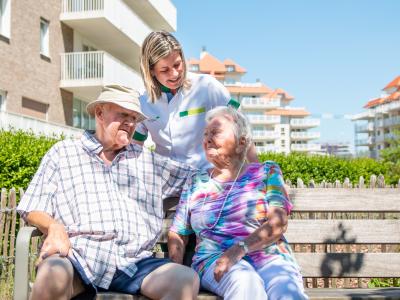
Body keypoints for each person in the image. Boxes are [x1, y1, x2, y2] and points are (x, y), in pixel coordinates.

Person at [17, 85, 199, 300]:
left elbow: (200, 178)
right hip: (79, 257)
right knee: (51, 275)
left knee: (185, 279)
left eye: (134, 118)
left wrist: (244, 168)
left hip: (134, 263)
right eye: (123, 114)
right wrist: (54, 227)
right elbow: (32, 207)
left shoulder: (148, 161)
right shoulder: (63, 153)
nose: (130, 123)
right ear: (100, 113)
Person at [168, 106, 308, 299]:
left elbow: (278, 223)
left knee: (287, 292)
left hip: (269, 256)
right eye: (205, 134)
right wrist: (175, 273)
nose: (207, 138)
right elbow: (178, 232)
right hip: (214, 259)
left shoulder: (267, 173)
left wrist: (240, 249)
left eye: (215, 133)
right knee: (245, 282)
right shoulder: (196, 181)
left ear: (241, 143)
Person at [133, 30, 259, 171]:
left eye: (177, 65)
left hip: (207, 177)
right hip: (166, 180)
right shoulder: (142, 101)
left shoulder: (206, 85)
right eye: (164, 70)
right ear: (151, 70)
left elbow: (241, 127)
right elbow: (135, 145)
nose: (174, 74)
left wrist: (256, 170)